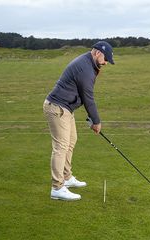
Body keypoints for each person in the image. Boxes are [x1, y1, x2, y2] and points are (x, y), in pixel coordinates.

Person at [43, 41, 115, 201]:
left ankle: (66, 178)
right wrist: (96, 122)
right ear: (97, 53)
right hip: (57, 107)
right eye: (105, 59)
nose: (105, 63)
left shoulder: (89, 64)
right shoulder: (85, 68)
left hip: (67, 108)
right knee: (60, 146)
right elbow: (88, 98)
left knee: (71, 141)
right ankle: (57, 188)